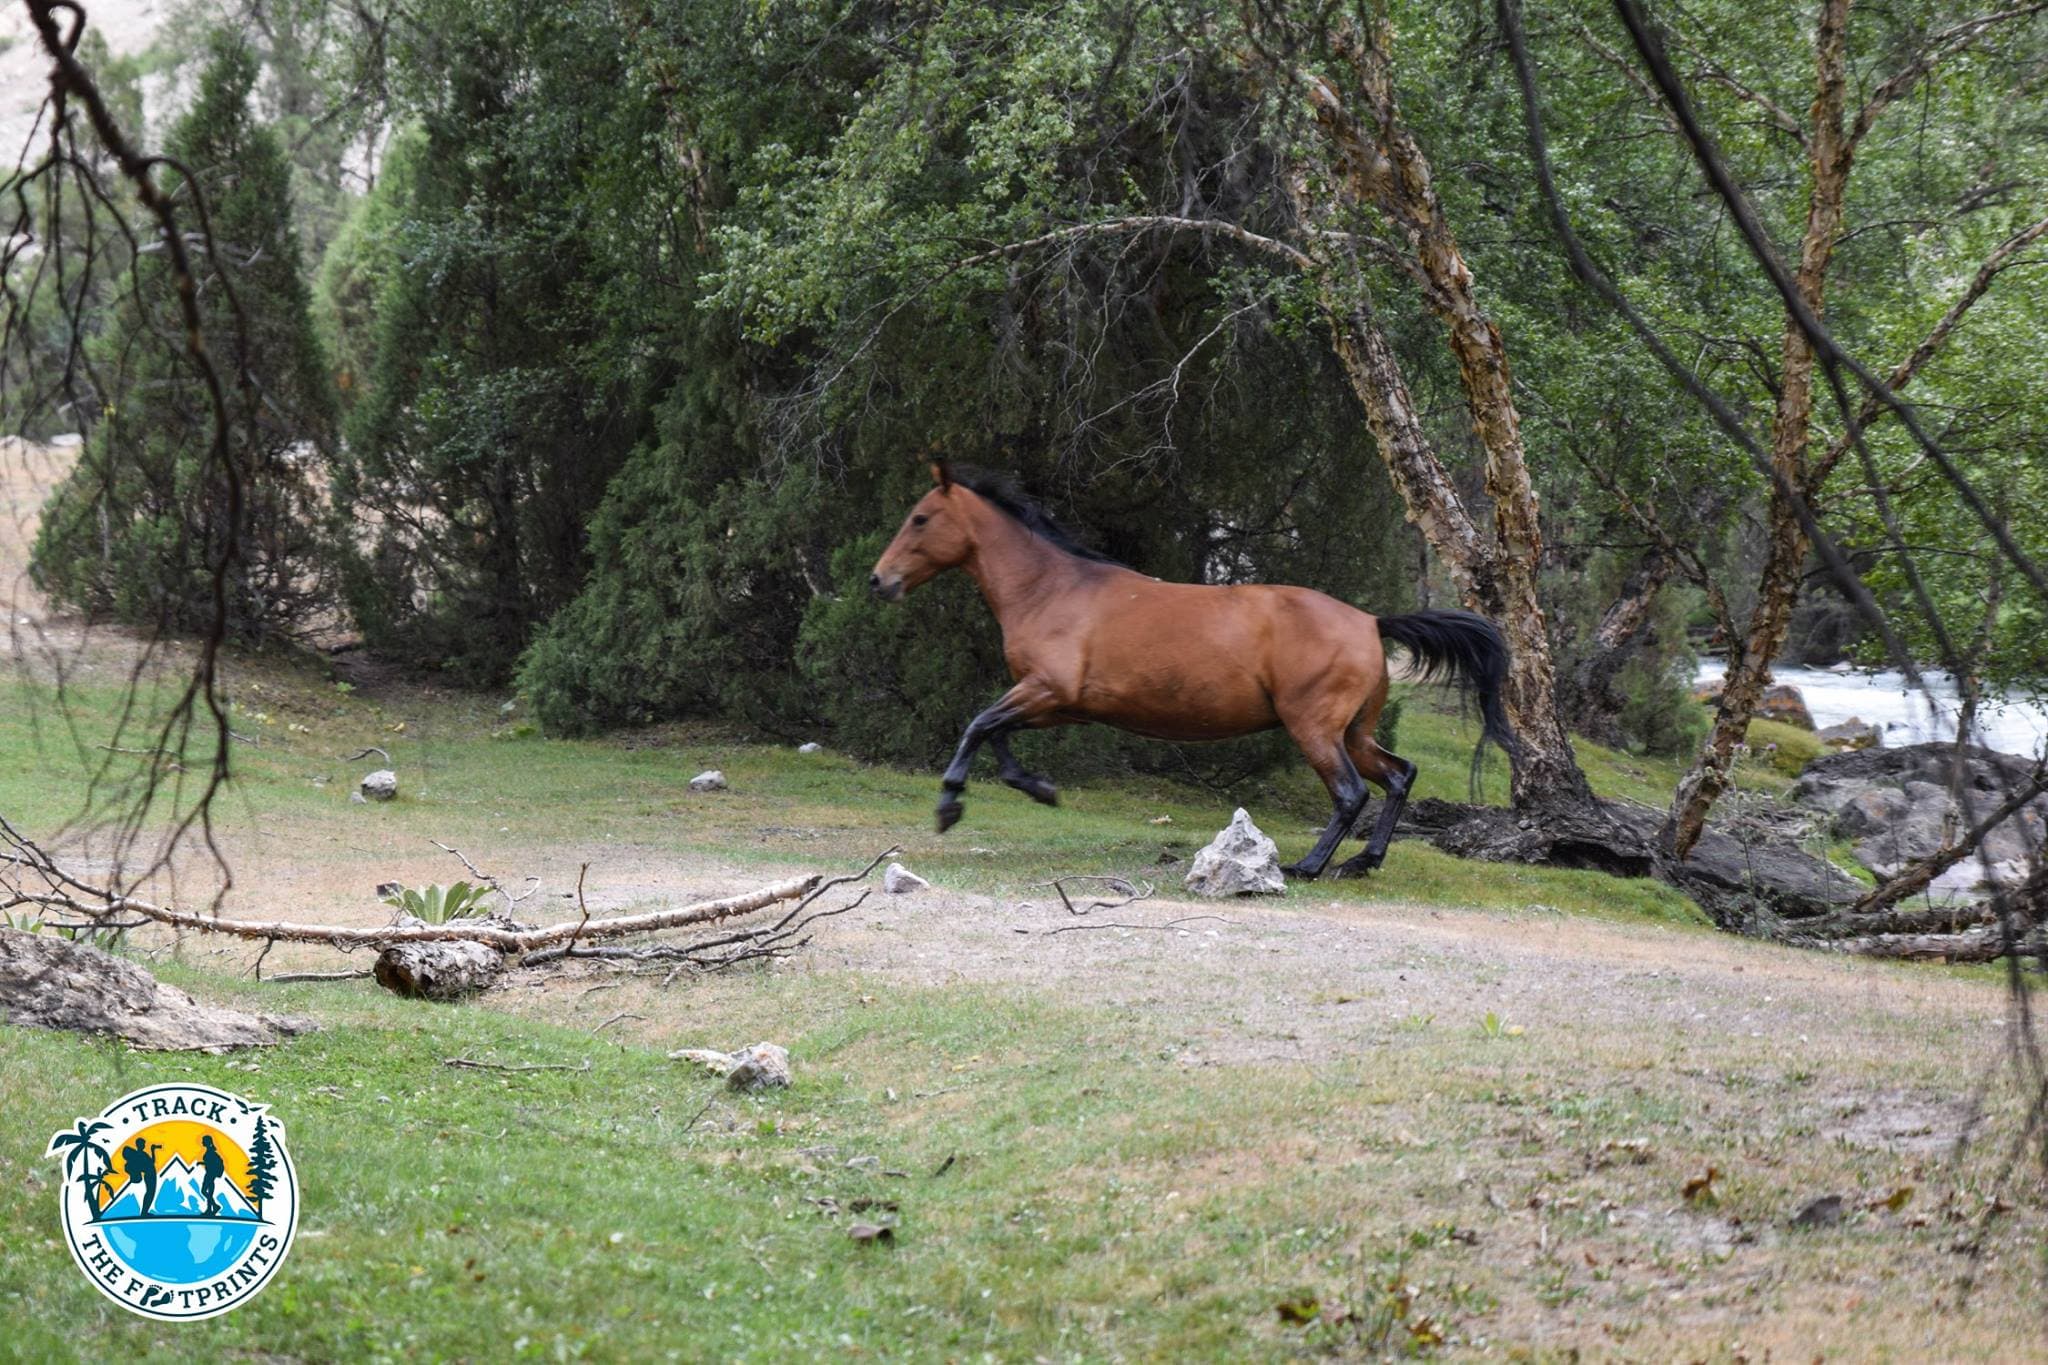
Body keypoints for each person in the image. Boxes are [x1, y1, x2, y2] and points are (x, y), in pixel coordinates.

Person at [120, 1138, 159, 1217]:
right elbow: (150, 1163)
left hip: (151, 1174)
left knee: (150, 1193)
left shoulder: (141, 1154)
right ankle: (144, 1213)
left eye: (144, 1144)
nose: (144, 1145)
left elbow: (151, 1162)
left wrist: (152, 1150)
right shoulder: (140, 1155)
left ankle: (144, 1212)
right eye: (143, 1144)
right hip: (150, 1175)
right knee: (150, 1193)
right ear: (139, 1145)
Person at [199, 1135, 226, 1217]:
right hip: (210, 1174)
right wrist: (202, 1163)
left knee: (204, 1191)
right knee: (209, 1193)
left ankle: (214, 1207)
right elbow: (210, 1162)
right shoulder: (210, 1151)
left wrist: (204, 1163)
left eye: (203, 1141)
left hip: (210, 1174)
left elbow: (211, 1163)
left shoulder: (210, 1152)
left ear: (207, 1142)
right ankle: (211, 1208)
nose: (202, 1142)